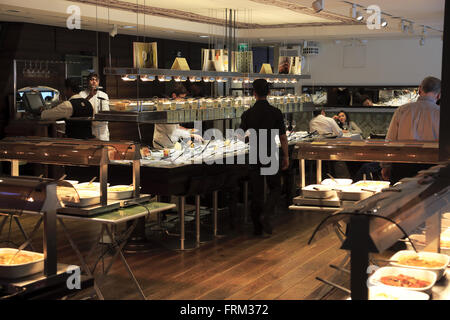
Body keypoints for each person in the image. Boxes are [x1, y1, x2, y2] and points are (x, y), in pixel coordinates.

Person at [240, 79, 289, 236]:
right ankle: (266, 214)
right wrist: (286, 155)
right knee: (275, 187)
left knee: (257, 191)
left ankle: (257, 229)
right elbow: (282, 137)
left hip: (254, 154)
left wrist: (249, 139)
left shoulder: (247, 114)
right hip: (270, 152)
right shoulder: (275, 112)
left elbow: (240, 136)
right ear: (268, 93)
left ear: (253, 93)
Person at [381, 76, 441, 183]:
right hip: (431, 167)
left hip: (403, 165)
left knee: (399, 198)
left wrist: (385, 165)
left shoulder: (402, 110)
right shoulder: (442, 113)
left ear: (419, 90)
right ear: (439, 95)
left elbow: (390, 141)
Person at [79, 73, 110, 141]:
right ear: (87, 82)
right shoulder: (82, 94)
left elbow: (106, 112)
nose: (94, 81)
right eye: (92, 79)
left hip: (102, 130)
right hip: (88, 128)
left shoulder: (104, 95)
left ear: (98, 82)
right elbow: (80, 108)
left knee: (103, 149)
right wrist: (90, 96)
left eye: (96, 80)